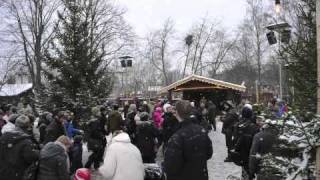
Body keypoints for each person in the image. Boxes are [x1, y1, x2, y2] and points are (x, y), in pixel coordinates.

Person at [163, 100, 213, 180]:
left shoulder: (177, 137)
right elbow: (209, 153)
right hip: (200, 174)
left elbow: (171, 166)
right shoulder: (201, 130)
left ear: (177, 113)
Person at [0, 115, 40, 180]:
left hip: (3, 172)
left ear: (15, 125)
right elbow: (31, 158)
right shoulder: (26, 141)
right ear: (27, 127)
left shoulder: (4, 137)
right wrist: (37, 153)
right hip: (17, 174)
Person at [232, 105, 260, 180]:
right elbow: (257, 141)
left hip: (242, 153)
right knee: (250, 171)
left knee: (245, 170)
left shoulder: (238, 125)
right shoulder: (254, 127)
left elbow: (235, 139)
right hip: (251, 152)